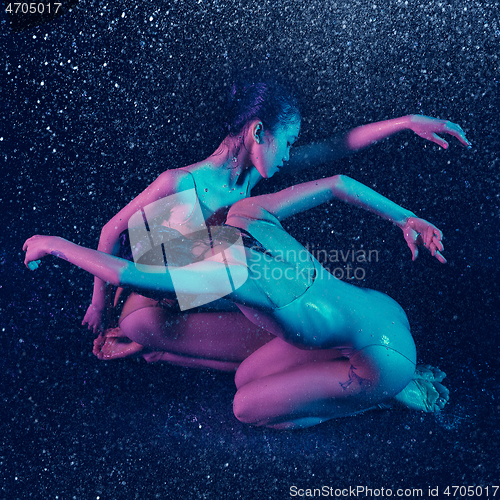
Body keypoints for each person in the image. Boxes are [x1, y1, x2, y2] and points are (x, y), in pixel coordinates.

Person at [24, 167, 450, 428]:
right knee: (248, 376)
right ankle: (360, 375)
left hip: (383, 361)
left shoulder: (230, 271)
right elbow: (337, 183)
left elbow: (127, 272)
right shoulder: (248, 213)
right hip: (383, 310)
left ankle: (383, 396)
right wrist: (405, 219)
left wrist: (57, 244)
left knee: (246, 408)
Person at [82, 82, 471, 363]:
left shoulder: (252, 176)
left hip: (202, 295)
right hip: (152, 301)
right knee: (283, 341)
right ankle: (150, 342)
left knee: (290, 327)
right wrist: (98, 305)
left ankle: (158, 344)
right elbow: (112, 231)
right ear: (257, 132)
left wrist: (406, 121)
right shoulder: (182, 182)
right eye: (287, 142)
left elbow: (337, 147)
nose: (289, 154)